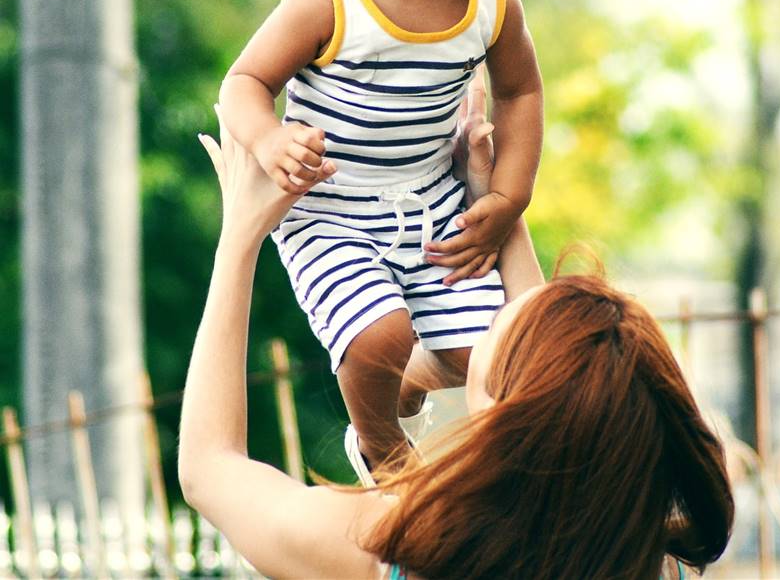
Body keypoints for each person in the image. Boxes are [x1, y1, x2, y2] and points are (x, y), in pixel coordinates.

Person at [180, 100, 734, 580]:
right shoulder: (649, 561)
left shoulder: (389, 551)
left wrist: (240, 237)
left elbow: (210, 470)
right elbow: (551, 384)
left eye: (501, 324)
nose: (499, 308)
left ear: (501, 415)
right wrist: (492, 204)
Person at [217, 0, 543, 482]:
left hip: (431, 201)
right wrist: (269, 139)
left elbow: (522, 95)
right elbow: (243, 82)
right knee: (376, 338)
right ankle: (383, 452)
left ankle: (409, 382)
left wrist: (507, 198)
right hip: (331, 207)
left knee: (483, 356)